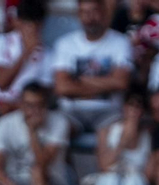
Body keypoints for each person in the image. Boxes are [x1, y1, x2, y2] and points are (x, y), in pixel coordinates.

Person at [0, 83, 72, 185]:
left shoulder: (59, 122)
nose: (34, 110)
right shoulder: (4, 124)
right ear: (20, 104)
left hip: (52, 183)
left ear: (46, 105)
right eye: (29, 105)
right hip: (14, 181)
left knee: (37, 172)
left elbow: (42, 164)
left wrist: (32, 131)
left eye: (39, 105)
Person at [52, 0, 134, 133]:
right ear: (79, 15)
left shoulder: (121, 42)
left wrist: (79, 81)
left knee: (114, 134)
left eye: (94, 11)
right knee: (56, 131)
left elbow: (121, 83)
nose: (90, 17)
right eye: (85, 12)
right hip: (71, 111)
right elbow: (61, 87)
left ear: (104, 13)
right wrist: (106, 84)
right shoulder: (65, 43)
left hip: (109, 111)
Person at [89, 90, 153, 185]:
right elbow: (104, 165)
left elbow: (149, 176)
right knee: (111, 176)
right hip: (110, 184)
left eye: (138, 107)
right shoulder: (107, 130)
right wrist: (123, 141)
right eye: (131, 105)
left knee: (135, 178)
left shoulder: (148, 136)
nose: (134, 110)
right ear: (124, 107)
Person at [0, 0, 51, 118]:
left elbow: (45, 92)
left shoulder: (48, 52)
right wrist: (26, 53)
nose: (30, 30)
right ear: (17, 22)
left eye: (35, 25)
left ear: (41, 25)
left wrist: (18, 106)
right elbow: (2, 83)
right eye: (26, 24)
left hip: (26, 108)